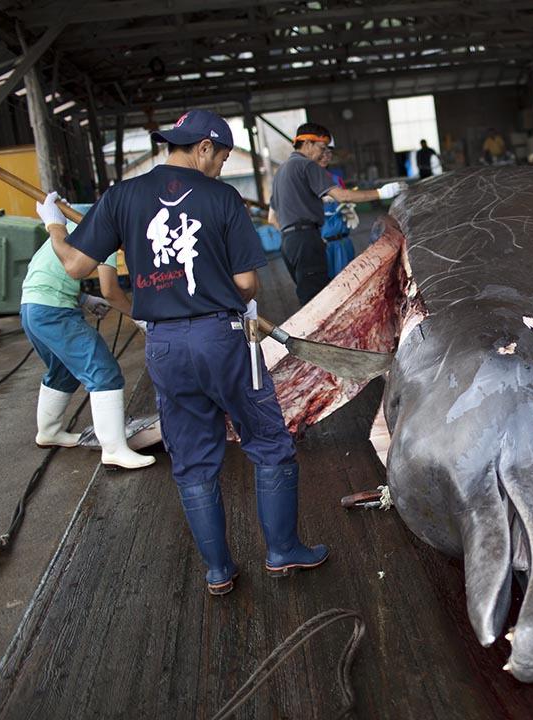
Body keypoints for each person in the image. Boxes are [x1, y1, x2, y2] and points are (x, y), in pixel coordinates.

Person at [38, 108, 329, 596]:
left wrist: (53, 224)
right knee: (269, 443)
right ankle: (282, 551)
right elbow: (245, 282)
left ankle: (218, 571)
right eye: (222, 156)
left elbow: (74, 266)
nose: (220, 166)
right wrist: (229, 302)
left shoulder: (121, 197)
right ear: (204, 147)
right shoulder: (221, 198)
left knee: (193, 460)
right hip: (224, 337)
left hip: (164, 345)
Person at [20, 239, 155, 469]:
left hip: (32, 306)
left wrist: (84, 299)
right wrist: (141, 318)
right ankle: (114, 450)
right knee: (103, 371)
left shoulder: (76, 219)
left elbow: (53, 268)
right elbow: (110, 290)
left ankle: (49, 432)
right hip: (54, 310)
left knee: (63, 371)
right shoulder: (109, 230)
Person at [269, 122, 402, 305]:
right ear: (307, 143)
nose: (323, 154)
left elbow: (272, 218)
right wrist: (381, 192)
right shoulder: (307, 165)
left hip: (288, 243)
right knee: (317, 301)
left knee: (308, 295)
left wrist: (295, 234)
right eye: (321, 148)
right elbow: (342, 195)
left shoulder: (281, 171)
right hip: (306, 240)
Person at [316, 144, 358, 276]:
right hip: (323, 244)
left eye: (328, 153)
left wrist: (348, 210)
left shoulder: (336, 179)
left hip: (342, 241)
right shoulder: (305, 181)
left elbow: (346, 199)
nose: (325, 156)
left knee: (348, 279)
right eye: (322, 152)